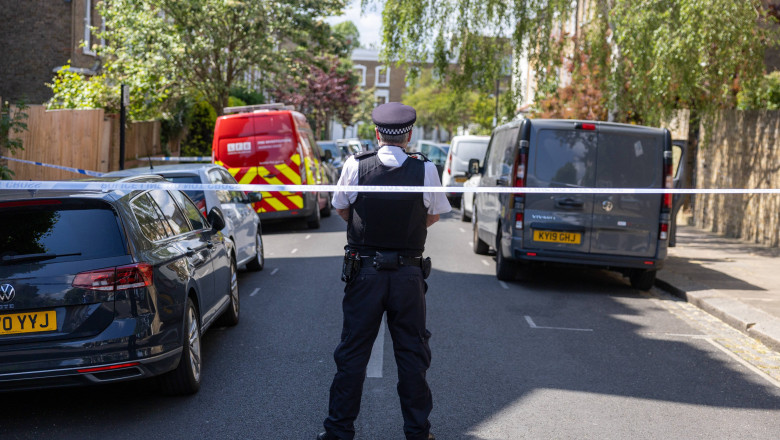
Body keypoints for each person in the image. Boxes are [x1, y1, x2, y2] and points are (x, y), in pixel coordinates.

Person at [318, 102, 451, 440]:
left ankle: (338, 432)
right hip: (408, 277)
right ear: (409, 135)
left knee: (352, 354)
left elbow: (342, 209)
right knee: (412, 356)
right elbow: (434, 214)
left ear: (377, 134)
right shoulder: (426, 169)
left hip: (364, 273)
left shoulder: (355, 165)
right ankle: (418, 433)